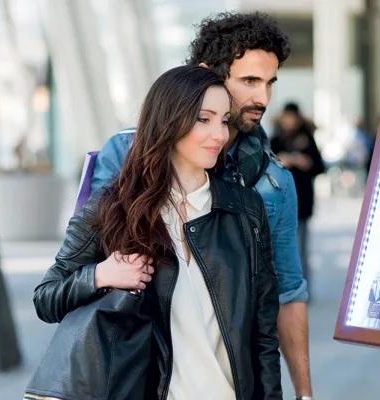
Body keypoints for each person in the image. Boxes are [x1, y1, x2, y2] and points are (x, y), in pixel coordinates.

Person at [92, 12, 313, 398]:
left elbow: (287, 296)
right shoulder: (126, 153)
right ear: (208, 76)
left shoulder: (273, 183)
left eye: (269, 83)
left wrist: (304, 394)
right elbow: (85, 263)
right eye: (249, 81)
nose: (263, 99)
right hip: (141, 376)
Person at [34, 65, 282, 399]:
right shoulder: (114, 205)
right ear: (169, 120)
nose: (220, 135)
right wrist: (101, 274)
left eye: (224, 120)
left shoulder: (245, 209)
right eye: (204, 119)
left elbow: (264, 333)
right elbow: (46, 297)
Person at [270, 102, 325, 296]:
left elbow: (320, 167)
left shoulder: (307, 139)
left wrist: (306, 162)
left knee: (301, 248)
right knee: (279, 249)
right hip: (279, 203)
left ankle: (301, 290)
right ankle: (284, 289)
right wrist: (279, 161)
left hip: (302, 203)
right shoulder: (275, 140)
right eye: (287, 117)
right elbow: (264, 168)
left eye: (292, 118)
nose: (290, 121)